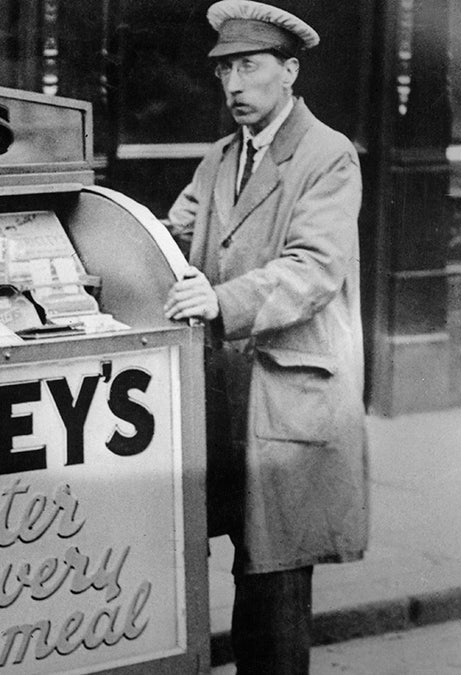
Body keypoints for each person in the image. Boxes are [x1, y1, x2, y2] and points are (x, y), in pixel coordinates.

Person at [161, 2, 368, 673]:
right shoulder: (221, 157)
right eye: (224, 70)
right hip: (225, 392)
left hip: (287, 395)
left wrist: (219, 300)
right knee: (234, 563)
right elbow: (172, 236)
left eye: (249, 67)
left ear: (289, 71)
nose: (234, 85)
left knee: (275, 581)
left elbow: (314, 269)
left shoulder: (328, 154)